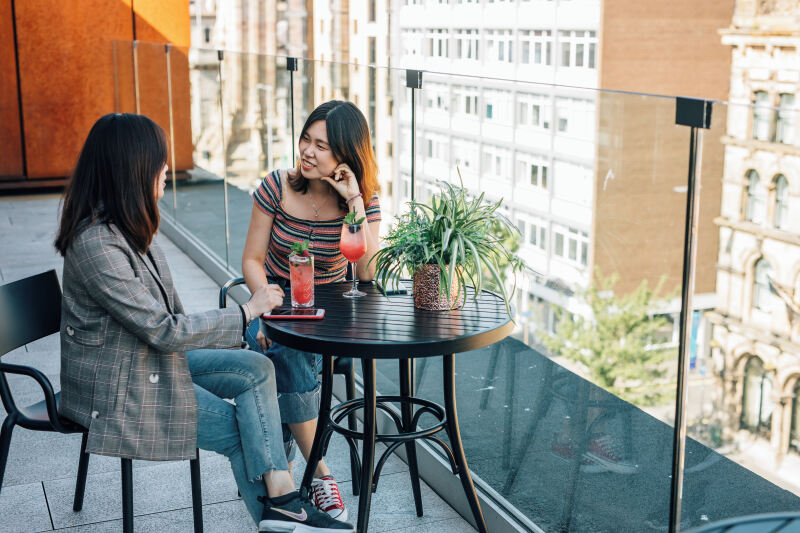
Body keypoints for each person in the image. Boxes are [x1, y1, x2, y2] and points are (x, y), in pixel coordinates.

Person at [55, 113, 354, 533]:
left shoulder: (127, 228)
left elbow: (169, 324)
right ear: (132, 169)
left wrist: (234, 335)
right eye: (160, 163)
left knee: (258, 368)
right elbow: (165, 329)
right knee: (243, 428)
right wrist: (247, 313)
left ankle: (285, 504)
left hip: (149, 360)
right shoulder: (96, 245)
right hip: (119, 386)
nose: (166, 172)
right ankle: (286, 508)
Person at [242, 101, 381, 521]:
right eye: (306, 139)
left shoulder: (363, 199)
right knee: (282, 349)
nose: (307, 151)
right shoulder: (276, 186)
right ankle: (318, 472)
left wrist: (354, 200)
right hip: (276, 304)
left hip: (334, 317)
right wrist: (265, 303)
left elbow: (369, 271)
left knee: (285, 356)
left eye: (321, 146)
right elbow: (251, 259)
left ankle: (280, 463)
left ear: (345, 154)